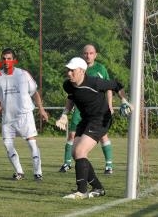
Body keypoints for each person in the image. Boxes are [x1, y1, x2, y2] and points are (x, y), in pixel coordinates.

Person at [55, 57, 131, 199]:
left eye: (72, 70)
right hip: (86, 120)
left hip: (101, 119)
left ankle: (82, 191)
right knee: (75, 153)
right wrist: (64, 114)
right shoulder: (68, 85)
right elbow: (71, 97)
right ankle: (98, 188)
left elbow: (116, 85)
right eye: (68, 70)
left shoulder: (94, 82)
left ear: (82, 71)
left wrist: (124, 101)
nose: (69, 73)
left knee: (80, 151)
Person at [0, 48, 48, 181]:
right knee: (7, 144)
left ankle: (37, 172)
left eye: (9, 58)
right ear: (1, 60)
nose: (6, 61)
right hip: (8, 117)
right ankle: (19, 172)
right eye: (4, 58)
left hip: (24, 115)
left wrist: (41, 109)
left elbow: (34, 93)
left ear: (14, 60)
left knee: (32, 143)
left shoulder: (23, 74)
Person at [59, 44, 115, 174]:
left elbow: (109, 88)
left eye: (91, 53)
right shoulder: (76, 69)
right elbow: (71, 94)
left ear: (95, 55)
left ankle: (109, 165)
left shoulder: (100, 69)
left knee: (102, 136)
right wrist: (65, 113)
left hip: (96, 110)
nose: (88, 55)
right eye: (85, 53)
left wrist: (110, 105)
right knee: (72, 135)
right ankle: (67, 163)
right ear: (82, 55)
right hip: (79, 110)